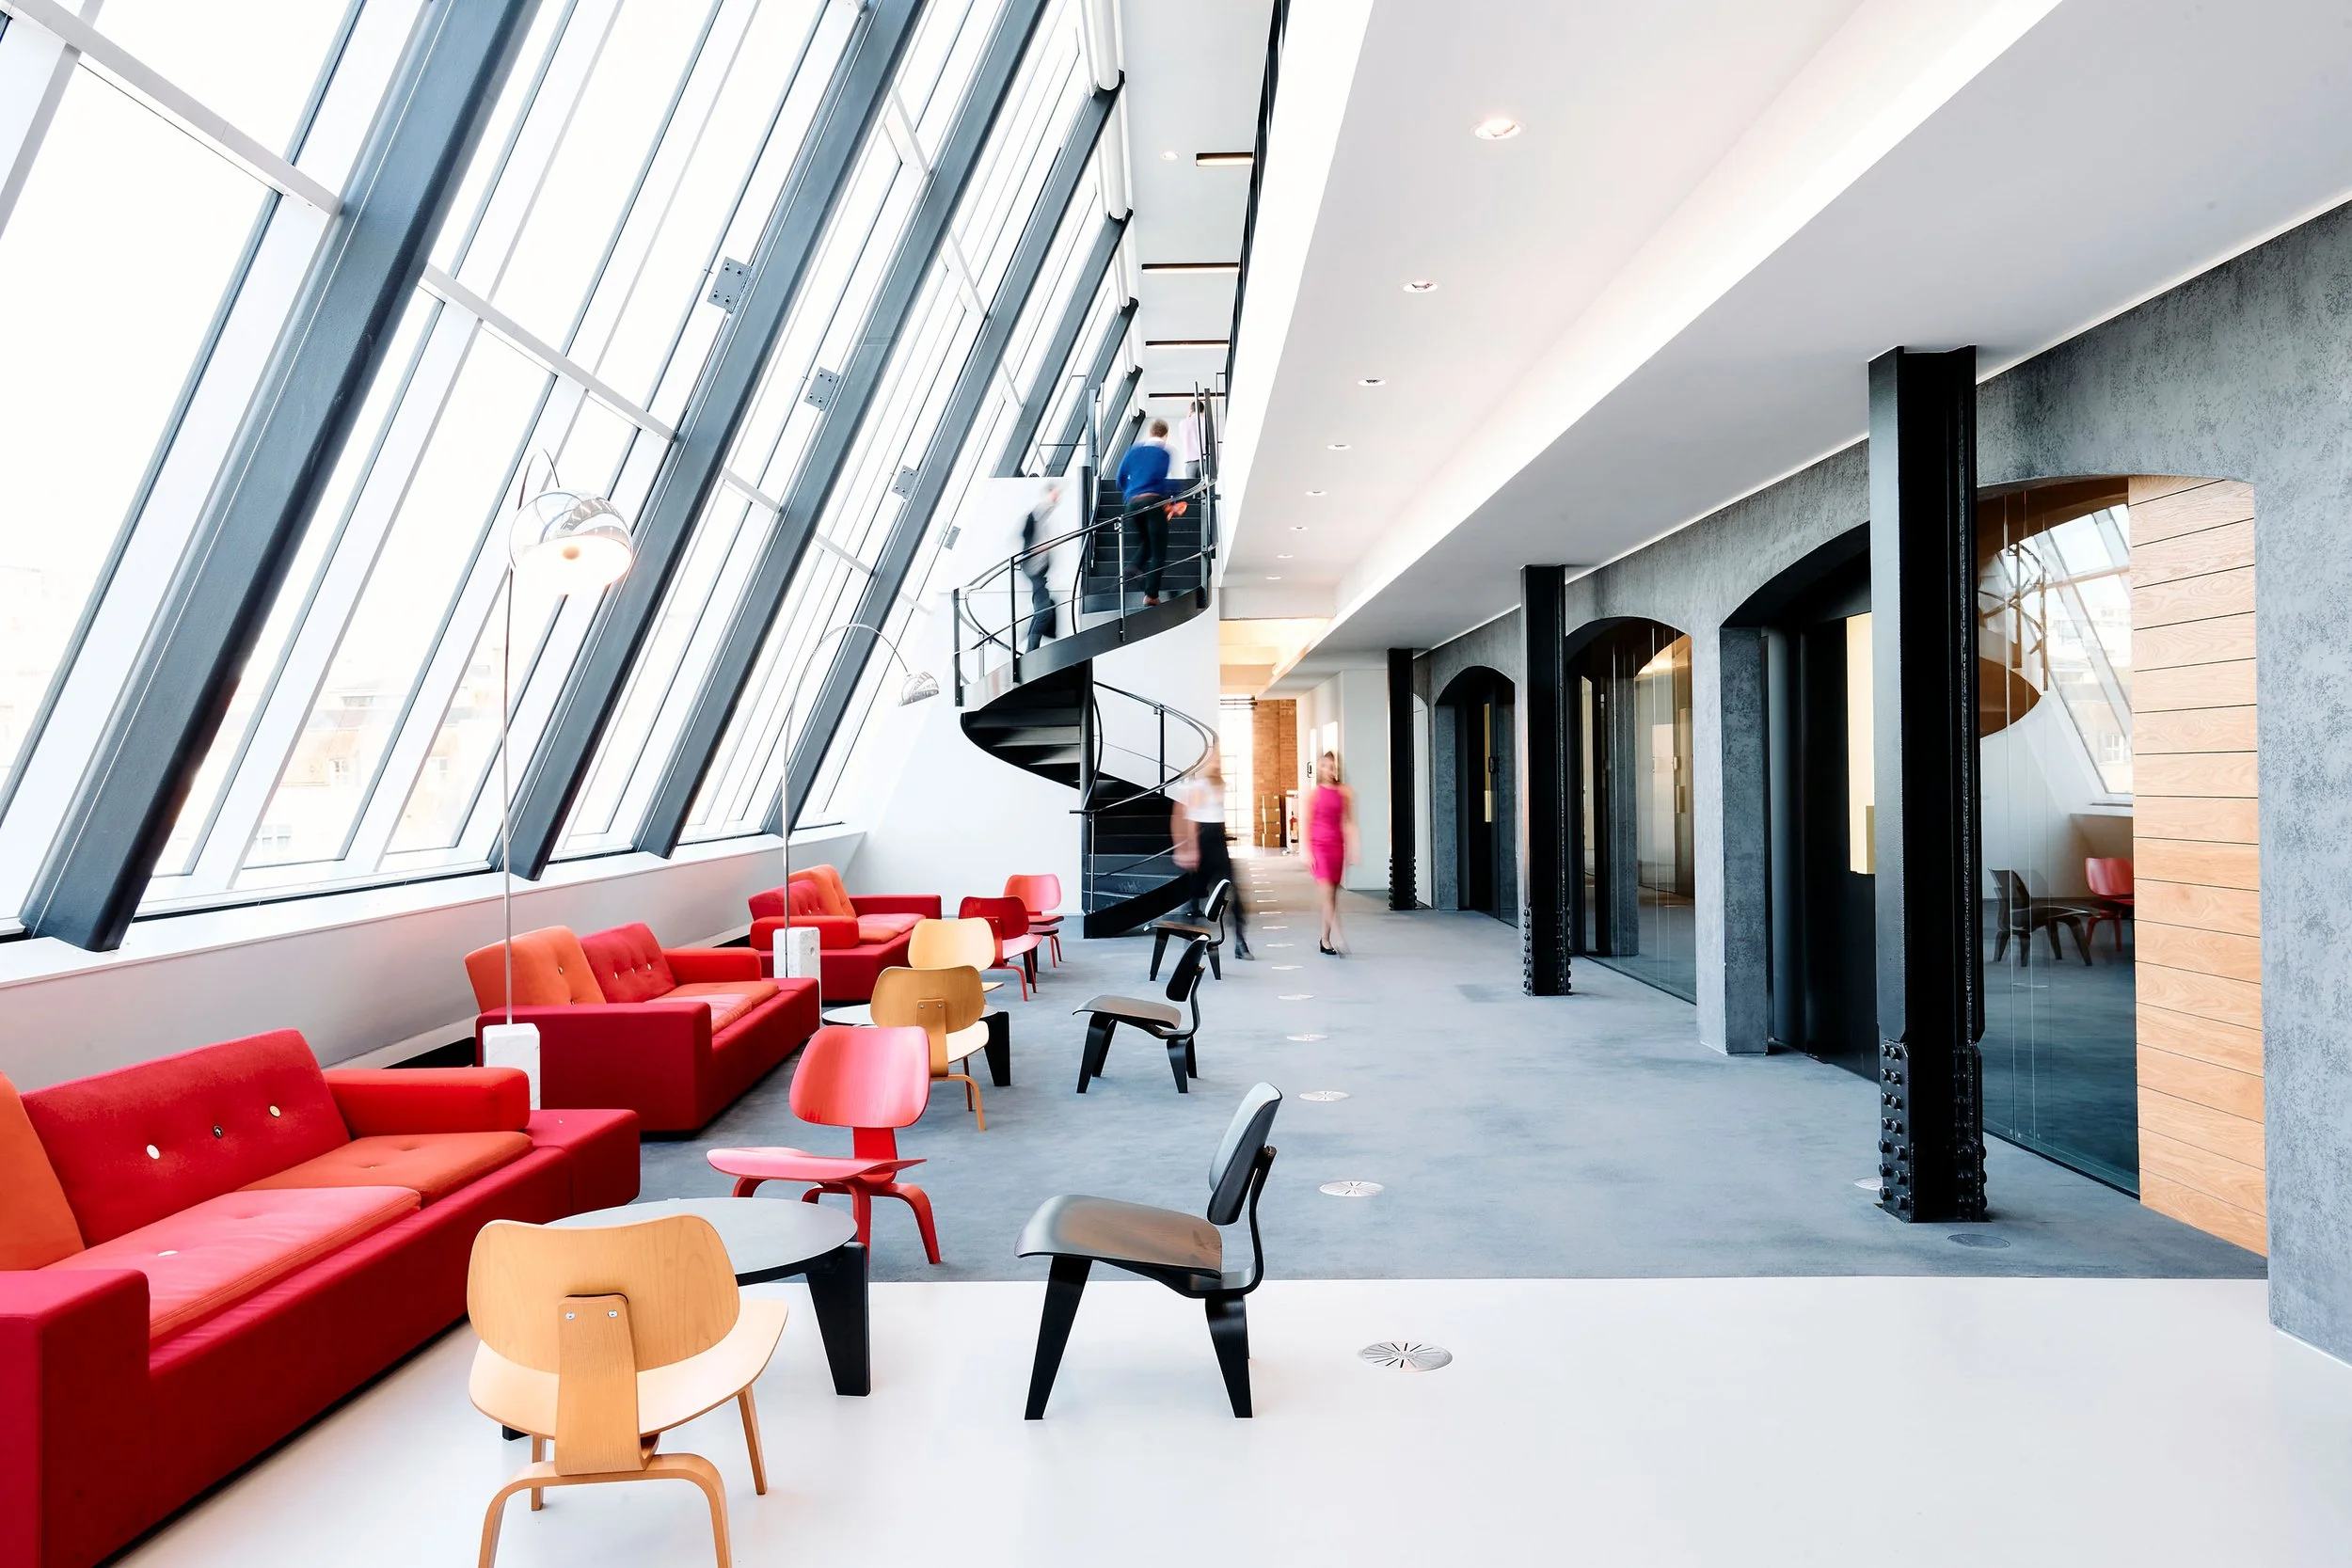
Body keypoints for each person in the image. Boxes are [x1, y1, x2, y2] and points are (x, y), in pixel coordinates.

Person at [1172, 751, 1249, 958]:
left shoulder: (1220, 784)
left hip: (1219, 842)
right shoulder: (1198, 787)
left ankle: (1240, 942)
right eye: (1214, 761)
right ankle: (1192, 945)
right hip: (1202, 840)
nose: (1217, 764)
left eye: (1218, 760)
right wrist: (1191, 849)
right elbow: (1188, 819)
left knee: (1235, 892)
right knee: (1195, 897)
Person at [1115, 418, 1173, 606]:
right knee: (1158, 551)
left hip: (1132, 504)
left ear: (1150, 432)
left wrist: (1131, 492)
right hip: (1152, 502)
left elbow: (1119, 478)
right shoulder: (1164, 453)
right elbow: (1161, 481)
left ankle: (1133, 566)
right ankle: (1151, 595)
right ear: (1165, 434)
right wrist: (1173, 500)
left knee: (1148, 541)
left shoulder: (1133, 450)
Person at [1307, 750, 1357, 956]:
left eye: (1332, 766)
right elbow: (1307, 823)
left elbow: (1349, 821)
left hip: (1337, 846)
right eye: (1325, 766)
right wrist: (1306, 851)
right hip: (1319, 846)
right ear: (1319, 768)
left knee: (1332, 896)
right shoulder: (1314, 793)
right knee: (1327, 893)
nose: (1329, 770)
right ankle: (1338, 935)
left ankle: (1325, 938)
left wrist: (1354, 848)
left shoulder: (1345, 792)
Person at [1019, 482, 1060, 651]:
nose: (1058, 498)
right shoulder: (1038, 514)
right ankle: (1031, 650)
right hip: (1033, 568)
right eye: (1055, 494)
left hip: (1038, 571)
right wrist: (1037, 549)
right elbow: (1028, 531)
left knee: (1046, 608)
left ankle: (1029, 637)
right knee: (1045, 612)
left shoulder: (1043, 517)